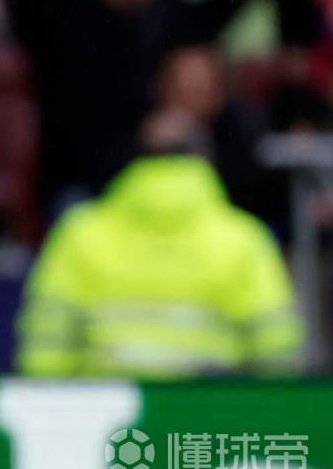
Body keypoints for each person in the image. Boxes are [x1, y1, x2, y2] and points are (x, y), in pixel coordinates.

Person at [15, 116, 303, 378]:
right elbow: (275, 349)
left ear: (135, 159)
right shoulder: (244, 238)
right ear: (204, 159)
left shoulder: (79, 232)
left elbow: (45, 346)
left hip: (107, 410)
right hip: (208, 410)